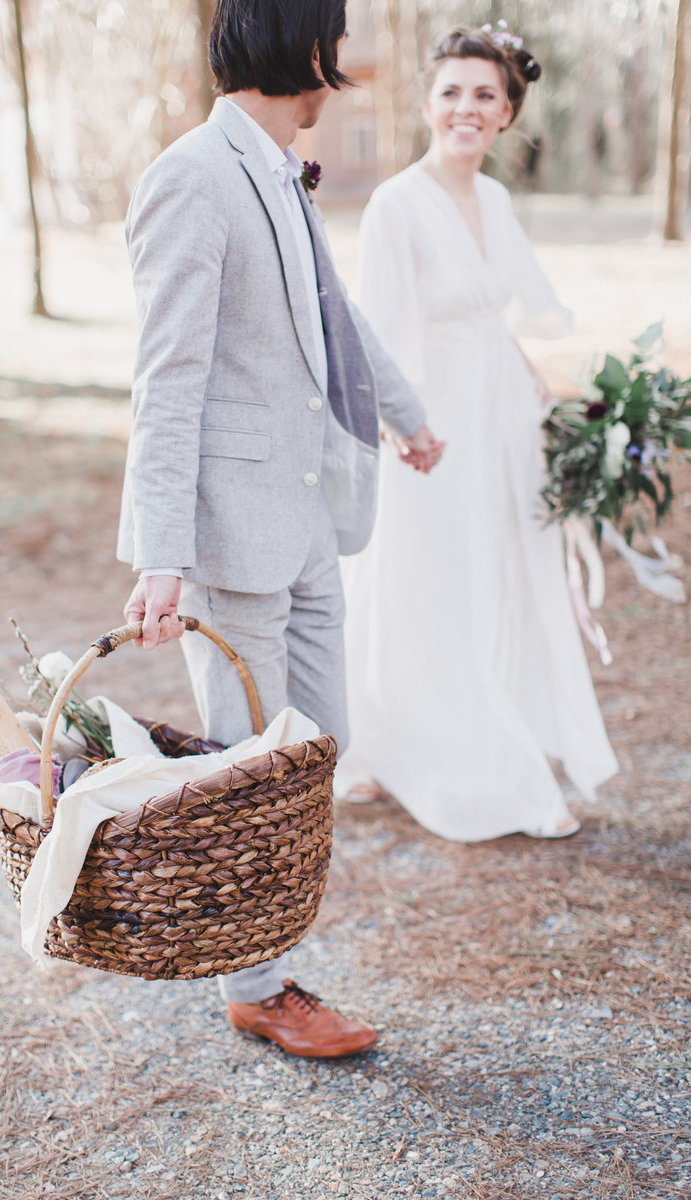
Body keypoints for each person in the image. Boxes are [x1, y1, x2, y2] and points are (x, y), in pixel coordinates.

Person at [116, 0, 444, 1058]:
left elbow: (331, 317)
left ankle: (272, 955)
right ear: (302, 45)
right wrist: (160, 554)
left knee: (315, 751)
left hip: (308, 518)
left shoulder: (273, 169)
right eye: (334, 39)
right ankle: (258, 986)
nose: (340, 63)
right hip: (231, 536)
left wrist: (406, 416)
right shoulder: (190, 177)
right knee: (247, 768)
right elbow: (166, 378)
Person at [335, 26, 618, 842]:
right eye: (451, 91)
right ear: (427, 104)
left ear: (507, 113)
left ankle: (408, 733)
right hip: (431, 423)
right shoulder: (397, 204)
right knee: (426, 576)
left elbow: (490, 308)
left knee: (497, 570)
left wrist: (527, 369)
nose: (467, 107)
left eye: (485, 94)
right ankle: (460, 761)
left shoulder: (494, 200)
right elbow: (382, 330)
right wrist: (405, 423)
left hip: (500, 414)